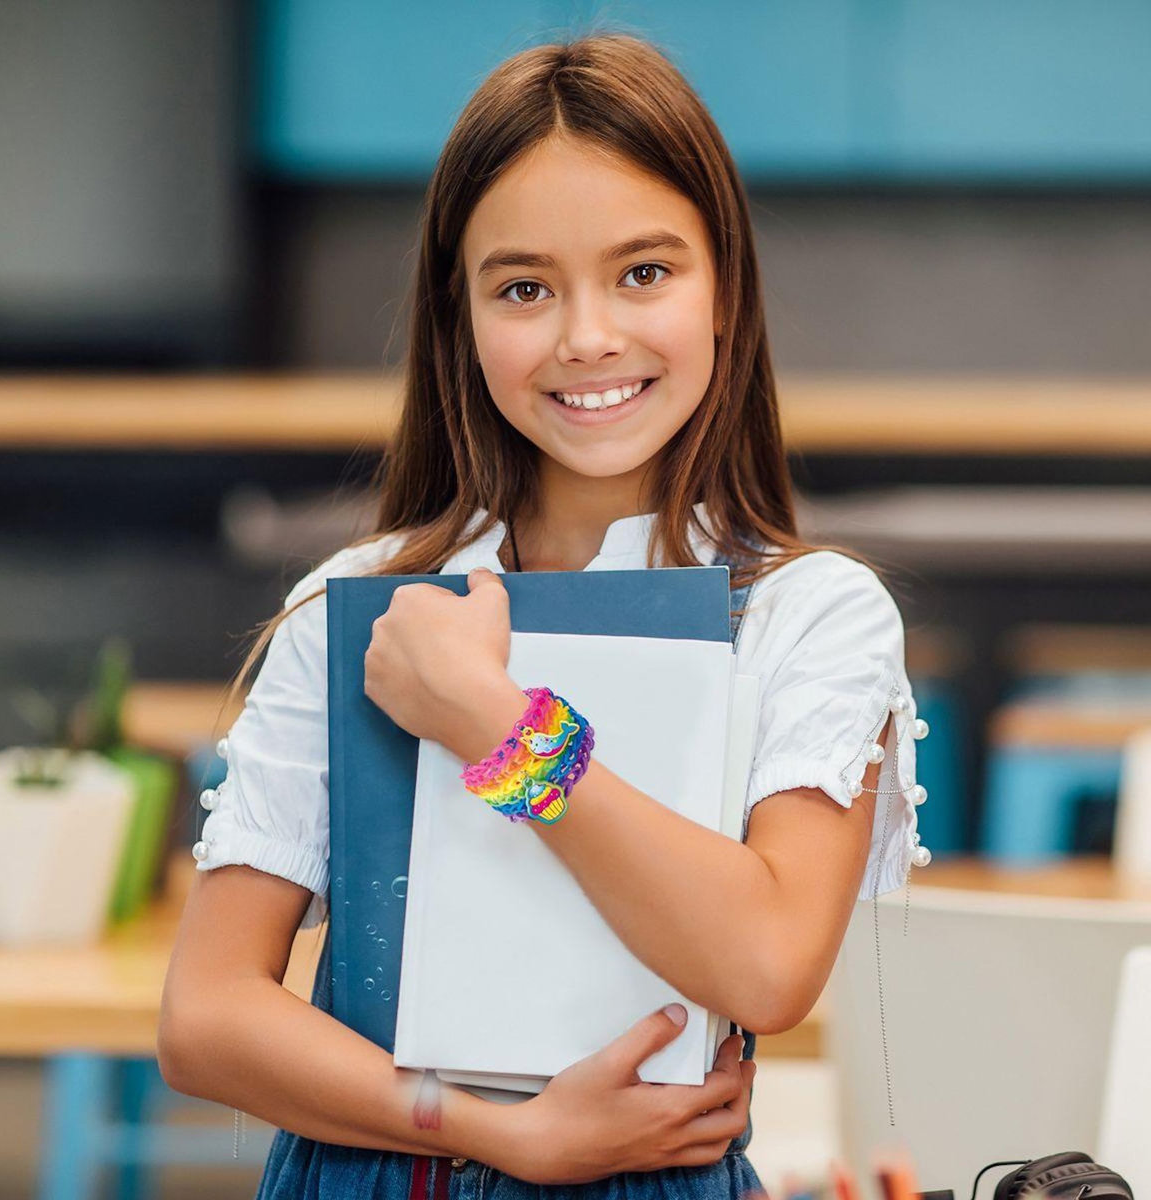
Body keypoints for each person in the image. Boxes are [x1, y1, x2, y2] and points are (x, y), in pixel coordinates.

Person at [158, 31, 929, 1199]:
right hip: (369, 1173)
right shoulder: (357, 606)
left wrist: (497, 725)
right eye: (523, 287)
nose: (587, 337)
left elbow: (768, 965)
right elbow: (205, 1019)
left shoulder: (808, 614)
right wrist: (492, 1130)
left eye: (645, 273)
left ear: (726, 286)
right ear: (458, 315)